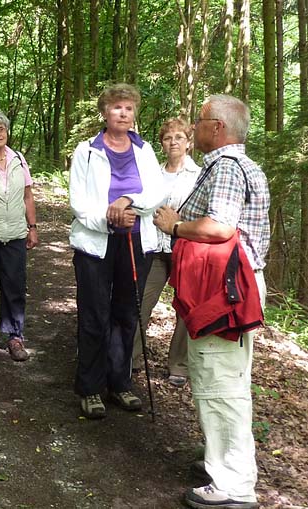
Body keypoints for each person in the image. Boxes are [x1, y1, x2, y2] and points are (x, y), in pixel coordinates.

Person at [154, 95, 269, 509]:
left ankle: (233, 486)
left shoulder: (225, 167)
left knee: (221, 386)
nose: (195, 127)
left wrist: (175, 225)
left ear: (217, 128)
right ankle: (222, 463)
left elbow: (219, 227)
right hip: (235, 290)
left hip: (226, 294)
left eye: (200, 120)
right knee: (226, 381)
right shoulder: (244, 166)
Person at [69, 83, 165, 419]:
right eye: (116, 107)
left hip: (137, 241)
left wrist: (129, 203)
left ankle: (120, 382)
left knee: (127, 313)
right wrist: (108, 218)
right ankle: (90, 388)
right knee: (95, 314)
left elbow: (157, 190)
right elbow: (78, 202)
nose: (123, 113)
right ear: (105, 112)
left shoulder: (144, 149)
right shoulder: (87, 150)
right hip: (96, 243)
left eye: (128, 108)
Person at [131, 118, 200, 387]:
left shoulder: (198, 174)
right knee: (141, 302)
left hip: (185, 248)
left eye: (179, 137)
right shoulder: (153, 174)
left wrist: (179, 221)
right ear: (162, 143)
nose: (173, 142)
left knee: (185, 309)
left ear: (188, 142)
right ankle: (133, 357)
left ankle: (179, 365)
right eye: (168, 138)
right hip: (155, 248)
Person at [0, 111, 38, 363]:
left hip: (14, 233)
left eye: (1, 129)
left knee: (15, 286)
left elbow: (27, 196)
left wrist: (32, 226)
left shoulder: (18, 159)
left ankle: (14, 336)